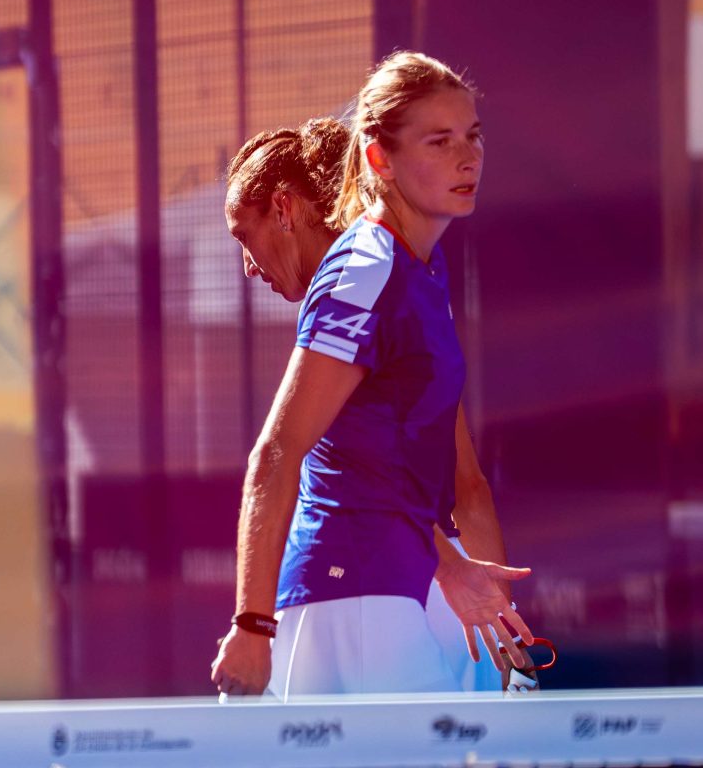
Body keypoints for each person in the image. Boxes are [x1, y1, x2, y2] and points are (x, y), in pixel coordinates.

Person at [211, 51, 533, 698]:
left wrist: (507, 641)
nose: (468, 158)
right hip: (350, 593)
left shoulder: (415, 273)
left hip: (396, 590)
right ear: (380, 158)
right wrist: (252, 625)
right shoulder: (364, 271)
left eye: (472, 137)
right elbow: (281, 452)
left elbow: (461, 484)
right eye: (439, 141)